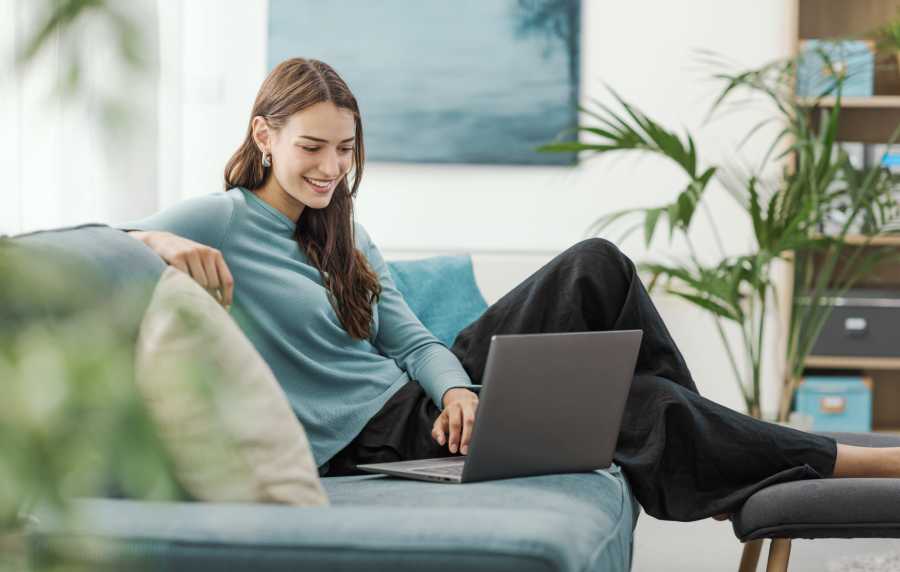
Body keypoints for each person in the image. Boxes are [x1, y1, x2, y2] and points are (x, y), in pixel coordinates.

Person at [123, 58, 900, 523]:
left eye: (346, 150)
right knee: (639, 406)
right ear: (264, 136)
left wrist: (457, 390)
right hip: (377, 440)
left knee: (596, 264)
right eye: (312, 148)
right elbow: (80, 244)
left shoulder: (341, 233)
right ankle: (851, 461)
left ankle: (711, 458)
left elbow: (412, 341)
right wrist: (154, 240)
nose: (331, 168)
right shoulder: (219, 220)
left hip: (427, 405)